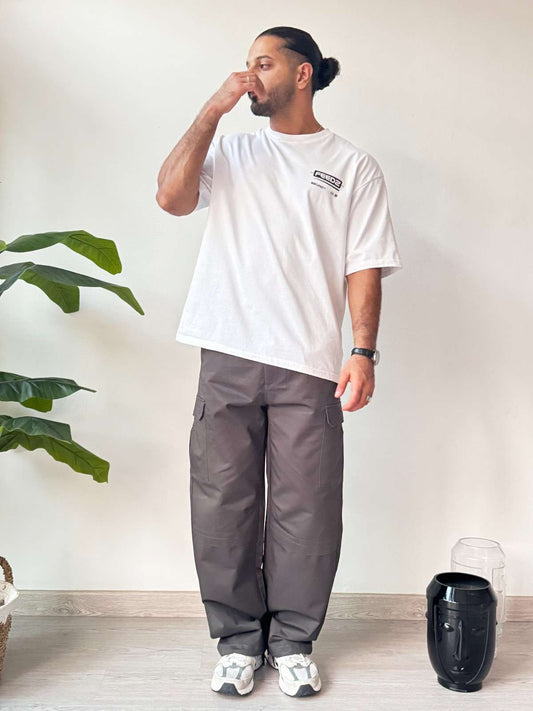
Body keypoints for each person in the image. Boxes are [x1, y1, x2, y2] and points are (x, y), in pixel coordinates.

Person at [156, 26, 403, 697]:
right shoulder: (231, 148)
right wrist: (211, 110)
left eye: (262, 63)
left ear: (302, 73)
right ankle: (238, 642)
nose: (249, 75)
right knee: (221, 503)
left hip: (309, 361)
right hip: (226, 350)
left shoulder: (352, 165)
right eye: (246, 65)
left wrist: (362, 351)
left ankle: (292, 641)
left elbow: (364, 265)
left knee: (308, 509)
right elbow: (171, 198)